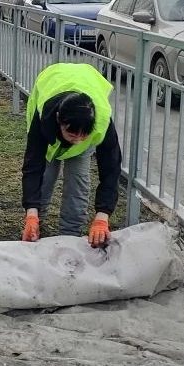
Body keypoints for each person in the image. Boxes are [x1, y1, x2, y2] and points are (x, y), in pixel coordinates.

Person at [21, 63, 122, 248]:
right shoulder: (44, 116)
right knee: (45, 177)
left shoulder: (101, 122)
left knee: (78, 182)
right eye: (72, 134)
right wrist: (31, 213)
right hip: (50, 134)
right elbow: (33, 165)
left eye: (83, 134)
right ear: (59, 119)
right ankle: (34, 228)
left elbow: (111, 168)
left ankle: (70, 237)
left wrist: (102, 215)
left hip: (84, 87)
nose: (77, 139)